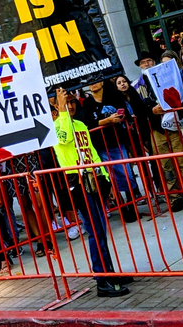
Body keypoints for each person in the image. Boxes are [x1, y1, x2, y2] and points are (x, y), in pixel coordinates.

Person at [53, 88, 130, 297]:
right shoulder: (56, 127)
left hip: (94, 178)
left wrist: (105, 177)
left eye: (71, 102)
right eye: (65, 103)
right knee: (95, 230)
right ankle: (102, 278)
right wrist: (61, 111)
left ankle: (109, 272)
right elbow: (65, 139)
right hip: (78, 184)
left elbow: (92, 153)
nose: (70, 106)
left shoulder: (79, 124)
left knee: (101, 229)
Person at [133, 51, 183, 212]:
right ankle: (175, 197)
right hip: (156, 128)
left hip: (175, 124)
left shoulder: (168, 77)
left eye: (149, 61)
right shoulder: (138, 85)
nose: (146, 64)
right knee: (166, 165)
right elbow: (139, 109)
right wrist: (153, 110)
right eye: (143, 63)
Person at [83, 80, 142, 218]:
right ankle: (122, 209)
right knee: (109, 177)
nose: (93, 84)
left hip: (117, 141)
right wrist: (107, 121)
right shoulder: (87, 103)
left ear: (102, 82)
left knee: (126, 173)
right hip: (100, 145)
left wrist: (119, 118)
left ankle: (132, 205)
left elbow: (126, 114)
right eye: (90, 82)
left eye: (96, 80)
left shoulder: (114, 97)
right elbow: (88, 124)